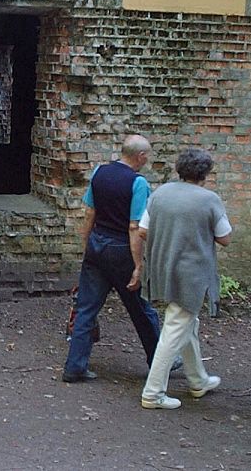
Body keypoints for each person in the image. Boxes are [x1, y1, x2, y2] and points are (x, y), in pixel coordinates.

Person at [62, 134, 168, 383]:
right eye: (147, 155)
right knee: (141, 309)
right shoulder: (138, 183)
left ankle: (74, 366)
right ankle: (160, 362)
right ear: (140, 156)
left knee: (86, 308)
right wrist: (138, 265)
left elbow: (90, 213)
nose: (147, 160)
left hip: (97, 243)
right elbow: (134, 227)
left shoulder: (99, 172)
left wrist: (87, 246)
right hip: (121, 249)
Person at [138, 148, 231, 409]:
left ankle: (198, 380)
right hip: (192, 274)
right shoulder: (209, 199)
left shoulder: (161, 193)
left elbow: (143, 230)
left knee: (186, 322)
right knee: (175, 328)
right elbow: (225, 238)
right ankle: (153, 392)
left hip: (161, 267)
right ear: (206, 173)